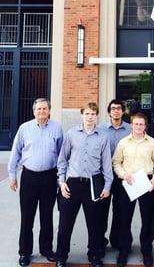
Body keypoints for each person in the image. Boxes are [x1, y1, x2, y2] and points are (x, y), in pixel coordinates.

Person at [55, 102, 113, 267]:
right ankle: (61, 256)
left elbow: (107, 164)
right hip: (72, 184)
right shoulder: (71, 134)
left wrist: (107, 186)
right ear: (82, 115)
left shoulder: (103, 137)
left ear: (97, 116)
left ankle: (94, 255)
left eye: (93, 114)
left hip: (93, 184)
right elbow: (62, 160)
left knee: (95, 224)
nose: (90, 117)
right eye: (87, 113)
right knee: (65, 224)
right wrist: (61, 182)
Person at [8, 98, 63, 267]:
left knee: (47, 216)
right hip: (29, 177)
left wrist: (61, 178)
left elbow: (62, 155)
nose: (41, 112)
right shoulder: (24, 128)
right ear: (34, 111)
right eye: (38, 109)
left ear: (49, 110)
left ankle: (46, 249)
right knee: (27, 217)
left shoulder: (57, 128)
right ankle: (25, 252)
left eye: (44, 109)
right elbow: (15, 152)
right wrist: (12, 175)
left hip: (49, 177)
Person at [112, 112, 154, 267]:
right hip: (128, 182)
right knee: (124, 219)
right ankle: (124, 249)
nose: (138, 127)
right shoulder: (123, 142)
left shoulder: (152, 143)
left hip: (147, 183)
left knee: (147, 219)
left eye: (141, 124)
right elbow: (116, 163)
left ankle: (146, 250)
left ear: (145, 126)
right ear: (131, 125)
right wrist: (123, 174)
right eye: (136, 124)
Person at [98, 99, 131, 249]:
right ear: (109, 111)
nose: (116, 111)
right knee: (101, 210)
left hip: (123, 175)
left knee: (120, 209)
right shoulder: (100, 129)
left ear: (123, 111)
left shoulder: (131, 129)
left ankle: (118, 240)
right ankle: (100, 241)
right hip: (104, 175)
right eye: (113, 108)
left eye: (119, 108)